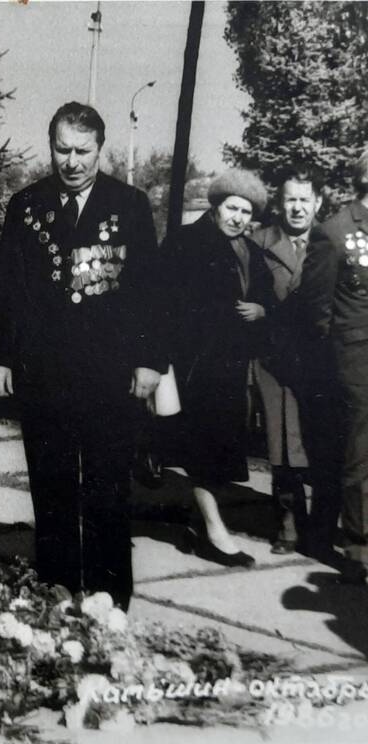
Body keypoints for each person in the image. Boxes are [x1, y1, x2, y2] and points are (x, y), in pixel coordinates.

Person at [0, 101, 164, 610]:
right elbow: (5, 287)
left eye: (83, 150)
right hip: (45, 375)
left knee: (108, 490)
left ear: (100, 149)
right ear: (52, 147)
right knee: (52, 486)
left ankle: (109, 599)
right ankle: (56, 591)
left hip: (111, 378)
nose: (73, 161)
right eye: (63, 149)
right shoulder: (26, 205)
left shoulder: (129, 204)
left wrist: (150, 361)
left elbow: (151, 290)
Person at [166, 169, 275, 568]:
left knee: (214, 450)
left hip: (231, 368)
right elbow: (167, 305)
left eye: (246, 211)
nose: (238, 217)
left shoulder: (249, 251)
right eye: (232, 207)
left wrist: (262, 310)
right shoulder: (187, 243)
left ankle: (198, 527)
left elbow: (267, 299)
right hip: (196, 365)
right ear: (216, 206)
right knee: (203, 450)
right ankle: (215, 532)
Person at [302, 148, 368, 583]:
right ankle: (360, 546)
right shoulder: (336, 230)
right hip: (356, 354)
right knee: (361, 447)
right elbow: (315, 305)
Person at [251, 168, 322, 554]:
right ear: (280, 204)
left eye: (304, 199)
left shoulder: (331, 244)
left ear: (318, 203)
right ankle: (287, 522)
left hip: (318, 361)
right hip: (274, 359)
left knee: (318, 441)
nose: (297, 208)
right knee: (280, 443)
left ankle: (322, 524)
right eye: (290, 199)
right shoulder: (259, 242)